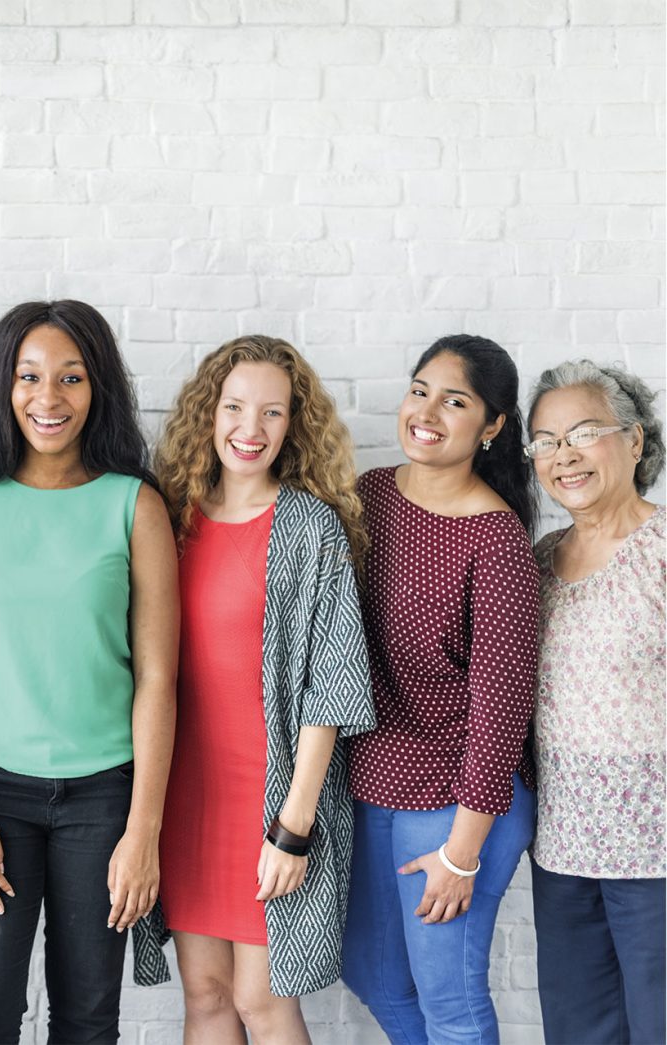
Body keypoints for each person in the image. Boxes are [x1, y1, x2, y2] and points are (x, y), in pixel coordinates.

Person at [0, 300, 178, 1044]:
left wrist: (143, 830)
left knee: (88, 1021)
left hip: (104, 800)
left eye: (71, 377)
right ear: (4, 385)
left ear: (98, 388)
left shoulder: (134, 504)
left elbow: (158, 678)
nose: (49, 397)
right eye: (29, 376)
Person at [151, 336, 375, 1041]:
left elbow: (333, 685)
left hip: (273, 798)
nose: (250, 429)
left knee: (264, 1002)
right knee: (206, 996)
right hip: (182, 795)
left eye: (272, 412)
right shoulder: (168, 517)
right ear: (208, 412)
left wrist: (293, 828)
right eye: (235, 407)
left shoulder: (310, 527)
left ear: (293, 424)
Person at [341, 334, 540, 1044]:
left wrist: (461, 854)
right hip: (377, 779)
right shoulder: (369, 494)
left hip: (462, 795)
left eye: (455, 401)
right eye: (419, 391)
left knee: (449, 999)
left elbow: (501, 713)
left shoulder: (498, 541)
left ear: (492, 426)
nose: (426, 412)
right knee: (374, 977)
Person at [524, 361, 664, 1044]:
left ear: (634, 440)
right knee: (578, 1031)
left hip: (657, 853)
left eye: (583, 433)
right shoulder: (539, 560)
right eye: (546, 441)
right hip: (564, 849)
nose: (563, 455)